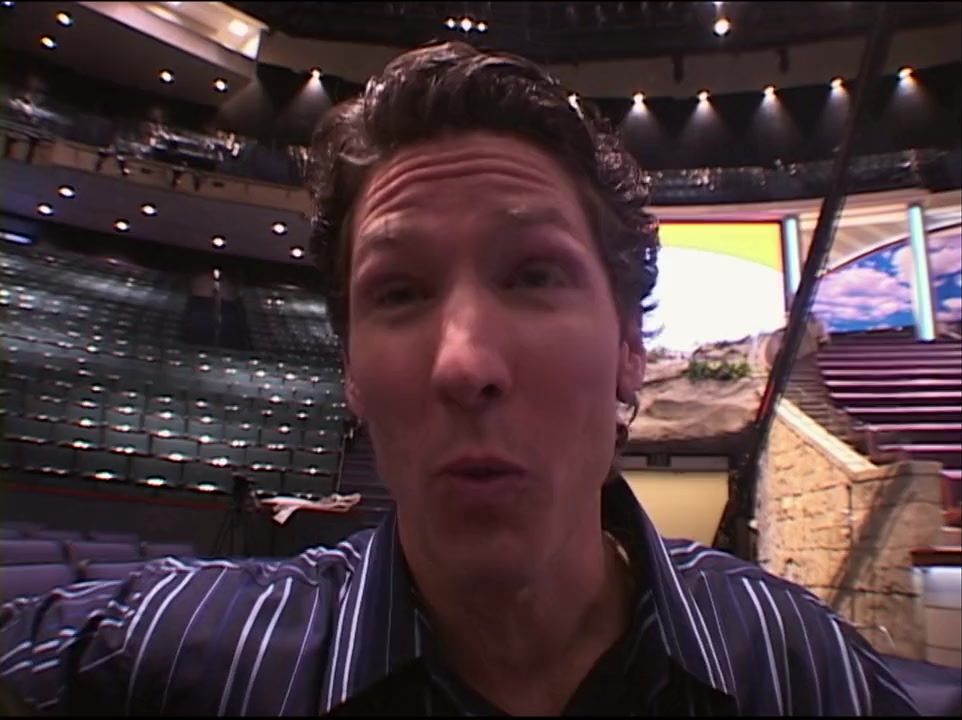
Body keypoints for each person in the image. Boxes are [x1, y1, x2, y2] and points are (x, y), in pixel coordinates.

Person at [0, 41, 920, 716]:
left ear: (629, 348)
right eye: (400, 292)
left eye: (534, 275)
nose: (465, 364)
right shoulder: (181, 660)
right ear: (352, 371)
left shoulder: (801, 669)